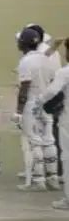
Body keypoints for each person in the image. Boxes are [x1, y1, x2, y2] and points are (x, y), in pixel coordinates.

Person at [13, 28, 60, 192]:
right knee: (49, 140)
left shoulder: (25, 62)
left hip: (31, 105)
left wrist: (18, 111)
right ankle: (53, 178)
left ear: (24, 44)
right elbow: (54, 81)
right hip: (47, 103)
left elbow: (24, 88)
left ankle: (38, 181)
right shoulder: (47, 59)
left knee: (35, 142)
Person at [35, 39, 69, 209]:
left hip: (67, 121)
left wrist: (39, 100)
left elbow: (51, 91)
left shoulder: (65, 72)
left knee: (67, 157)